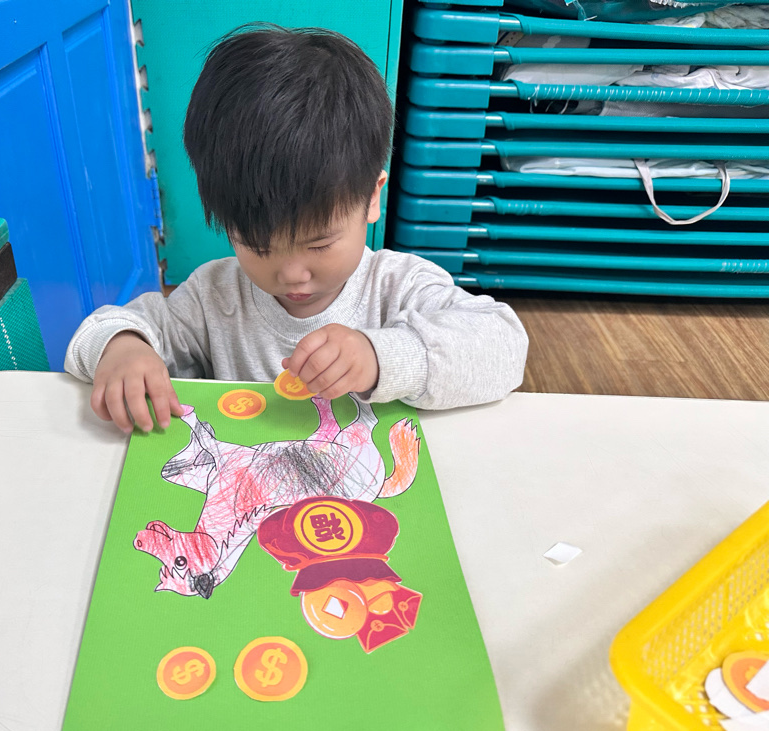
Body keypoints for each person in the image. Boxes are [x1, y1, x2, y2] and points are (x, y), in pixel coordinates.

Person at [65, 24, 528, 434]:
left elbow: (505, 346)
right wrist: (123, 348)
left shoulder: (397, 287)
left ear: (372, 198)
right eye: (258, 245)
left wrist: (380, 356)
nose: (291, 274)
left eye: (320, 243)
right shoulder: (213, 299)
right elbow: (100, 330)